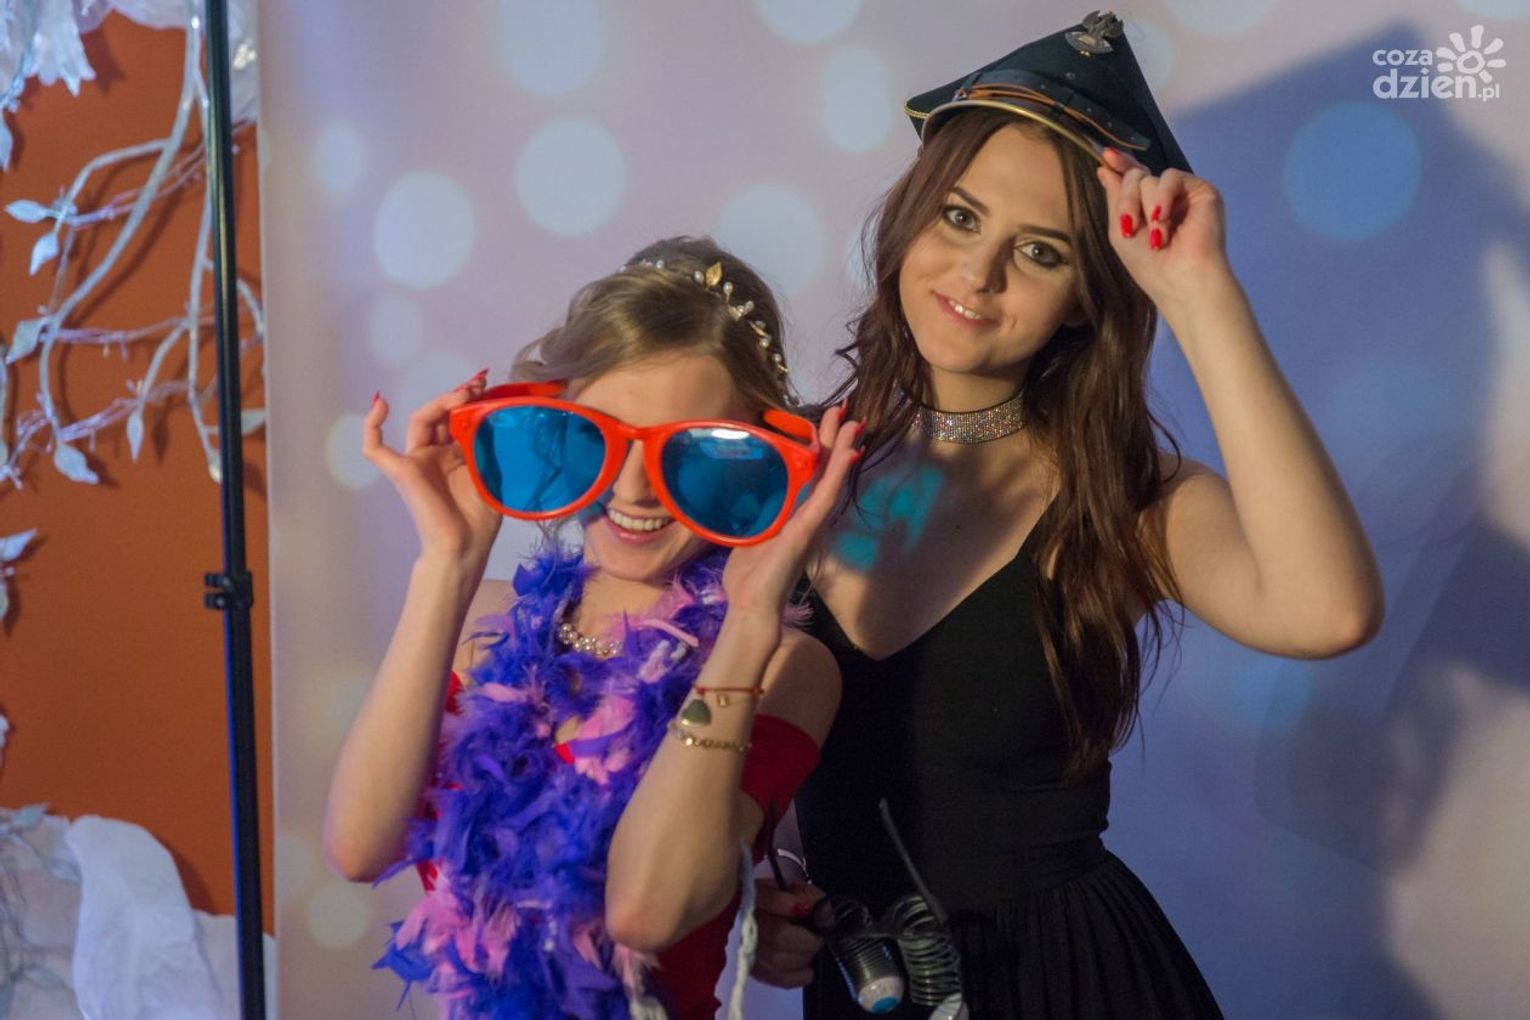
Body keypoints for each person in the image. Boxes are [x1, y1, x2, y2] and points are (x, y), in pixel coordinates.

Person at [748, 11, 1385, 1018]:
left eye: (1040, 251)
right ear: (912, 218)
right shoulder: (797, 470)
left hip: (1071, 985)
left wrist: (1197, 293)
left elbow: (1329, 611)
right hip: (873, 989)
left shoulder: (1125, 502)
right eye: (960, 217)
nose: (978, 275)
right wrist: (773, 885)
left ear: (1089, 296)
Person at [322, 236, 862, 1018]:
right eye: (601, 434)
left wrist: (747, 621)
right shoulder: (483, 618)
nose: (634, 488)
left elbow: (644, 912)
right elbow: (358, 847)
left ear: (755, 459)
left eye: (691, 450)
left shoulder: (781, 666)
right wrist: (447, 565)